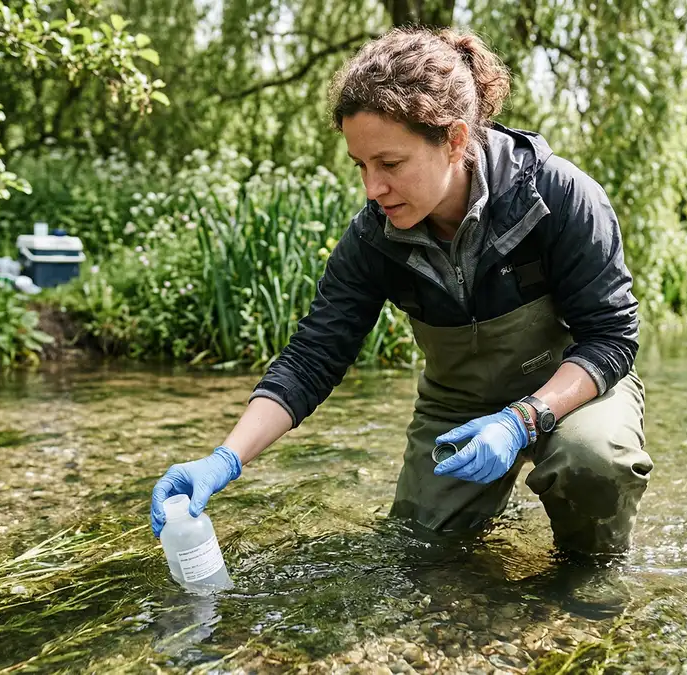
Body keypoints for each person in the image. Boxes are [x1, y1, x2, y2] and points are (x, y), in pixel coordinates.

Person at [150, 27, 653, 555]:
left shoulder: (559, 195)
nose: (373, 188)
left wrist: (520, 420)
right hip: (456, 405)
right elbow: (312, 359)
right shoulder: (372, 239)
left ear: (455, 140)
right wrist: (224, 459)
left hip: (572, 387)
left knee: (594, 464)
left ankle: (588, 598)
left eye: (390, 164)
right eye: (362, 166)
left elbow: (611, 339)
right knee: (421, 553)